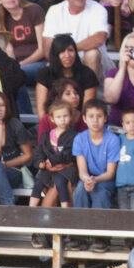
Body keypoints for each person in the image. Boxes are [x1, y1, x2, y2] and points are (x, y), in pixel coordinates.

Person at [29, 100, 78, 246]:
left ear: (71, 117)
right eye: (59, 117)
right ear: (52, 118)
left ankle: (66, 216)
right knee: (38, 183)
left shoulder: (73, 135)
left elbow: (69, 154)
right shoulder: (46, 135)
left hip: (66, 169)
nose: (62, 120)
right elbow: (38, 152)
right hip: (48, 169)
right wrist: (41, 163)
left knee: (60, 183)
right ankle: (30, 212)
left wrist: (52, 161)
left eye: (65, 116)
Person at [73, 99, 120, 249]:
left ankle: (101, 237)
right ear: (84, 118)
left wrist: (95, 180)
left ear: (105, 118)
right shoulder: (79, 138)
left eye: (99, 116)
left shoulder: (112, 139)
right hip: (88, 177)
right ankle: (79, 235)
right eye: (91, 116)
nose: (95, 120)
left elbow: (110, 173)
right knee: (80, 189)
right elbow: (82, 170)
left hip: (105, 179)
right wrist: (87, 179)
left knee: (99, 191)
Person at [41, 0, 110, 80]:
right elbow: (47, 49)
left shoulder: (98, 9)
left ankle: (90, 91)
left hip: (92, 63)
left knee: (92, 54)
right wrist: (67, 54)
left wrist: (69, 50)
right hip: (63, 60)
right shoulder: (54, 11)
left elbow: (99, 38)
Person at [0, 0, 46, 114]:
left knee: (15, 74)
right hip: (17, 67)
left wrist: (20, 65)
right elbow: (8, 52)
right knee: (11, 76)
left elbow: (43, 50)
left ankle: (27, 118)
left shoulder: (34, 10)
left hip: (39, 63)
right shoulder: (2, 19)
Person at [34, 34, 98, 116]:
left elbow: (87, 110)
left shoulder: (87, 74)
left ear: (75, 52)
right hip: (51, 123)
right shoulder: (45, 74)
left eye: (70, 50)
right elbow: (42, 112)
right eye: (62, 51)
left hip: (80, 123)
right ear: (55, 54)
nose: (67, 55)